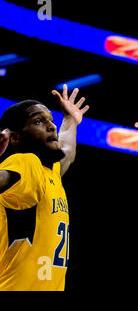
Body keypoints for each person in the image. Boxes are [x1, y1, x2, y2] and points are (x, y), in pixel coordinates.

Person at [0, 85, 89, 290]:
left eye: (50, 120)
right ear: (15, 138)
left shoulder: (49, 172)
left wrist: (70, 119)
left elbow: (67, 151)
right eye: (39, 121)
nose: (51, 126)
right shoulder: (25, 163)